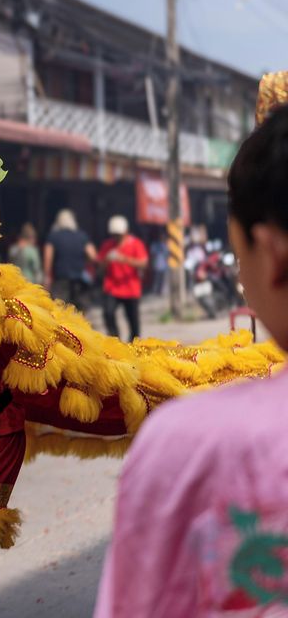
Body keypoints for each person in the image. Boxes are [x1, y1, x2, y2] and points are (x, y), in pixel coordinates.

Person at [93, 104, 288, 617]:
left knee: (129, 324)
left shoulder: (188, 448)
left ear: (271, 254)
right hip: (116, 296)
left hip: (131, 291)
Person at [98, 215, 148, 342]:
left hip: (130, 287)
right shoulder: (107, 245)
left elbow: (143, 263)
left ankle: (133, 344)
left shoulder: (136, 244)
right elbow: (100, 266)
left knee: (133, 321)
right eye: (114, 234)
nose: (116, 237)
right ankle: (115, 341)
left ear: (125, 232)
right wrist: (106, 261)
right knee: (108, 313)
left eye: (119, 234)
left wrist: (124, 259)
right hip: (112, 287)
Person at [43, 208, 97, 310]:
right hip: (80, 279)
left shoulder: (53, 236)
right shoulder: (82, 236)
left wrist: (46, 276)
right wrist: (83, 262)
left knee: (60, 311)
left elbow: (48, 258)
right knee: (80, 312)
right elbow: (93, 256)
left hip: (61, 279)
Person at [148, 231, 170, 296]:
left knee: (163, 279)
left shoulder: (166, 245)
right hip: (157, 264)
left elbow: (168, 255)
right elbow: (152, 255)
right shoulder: (155, 245)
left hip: (164, 265)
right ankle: (155, 291)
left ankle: (162, 291)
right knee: (156, 279)